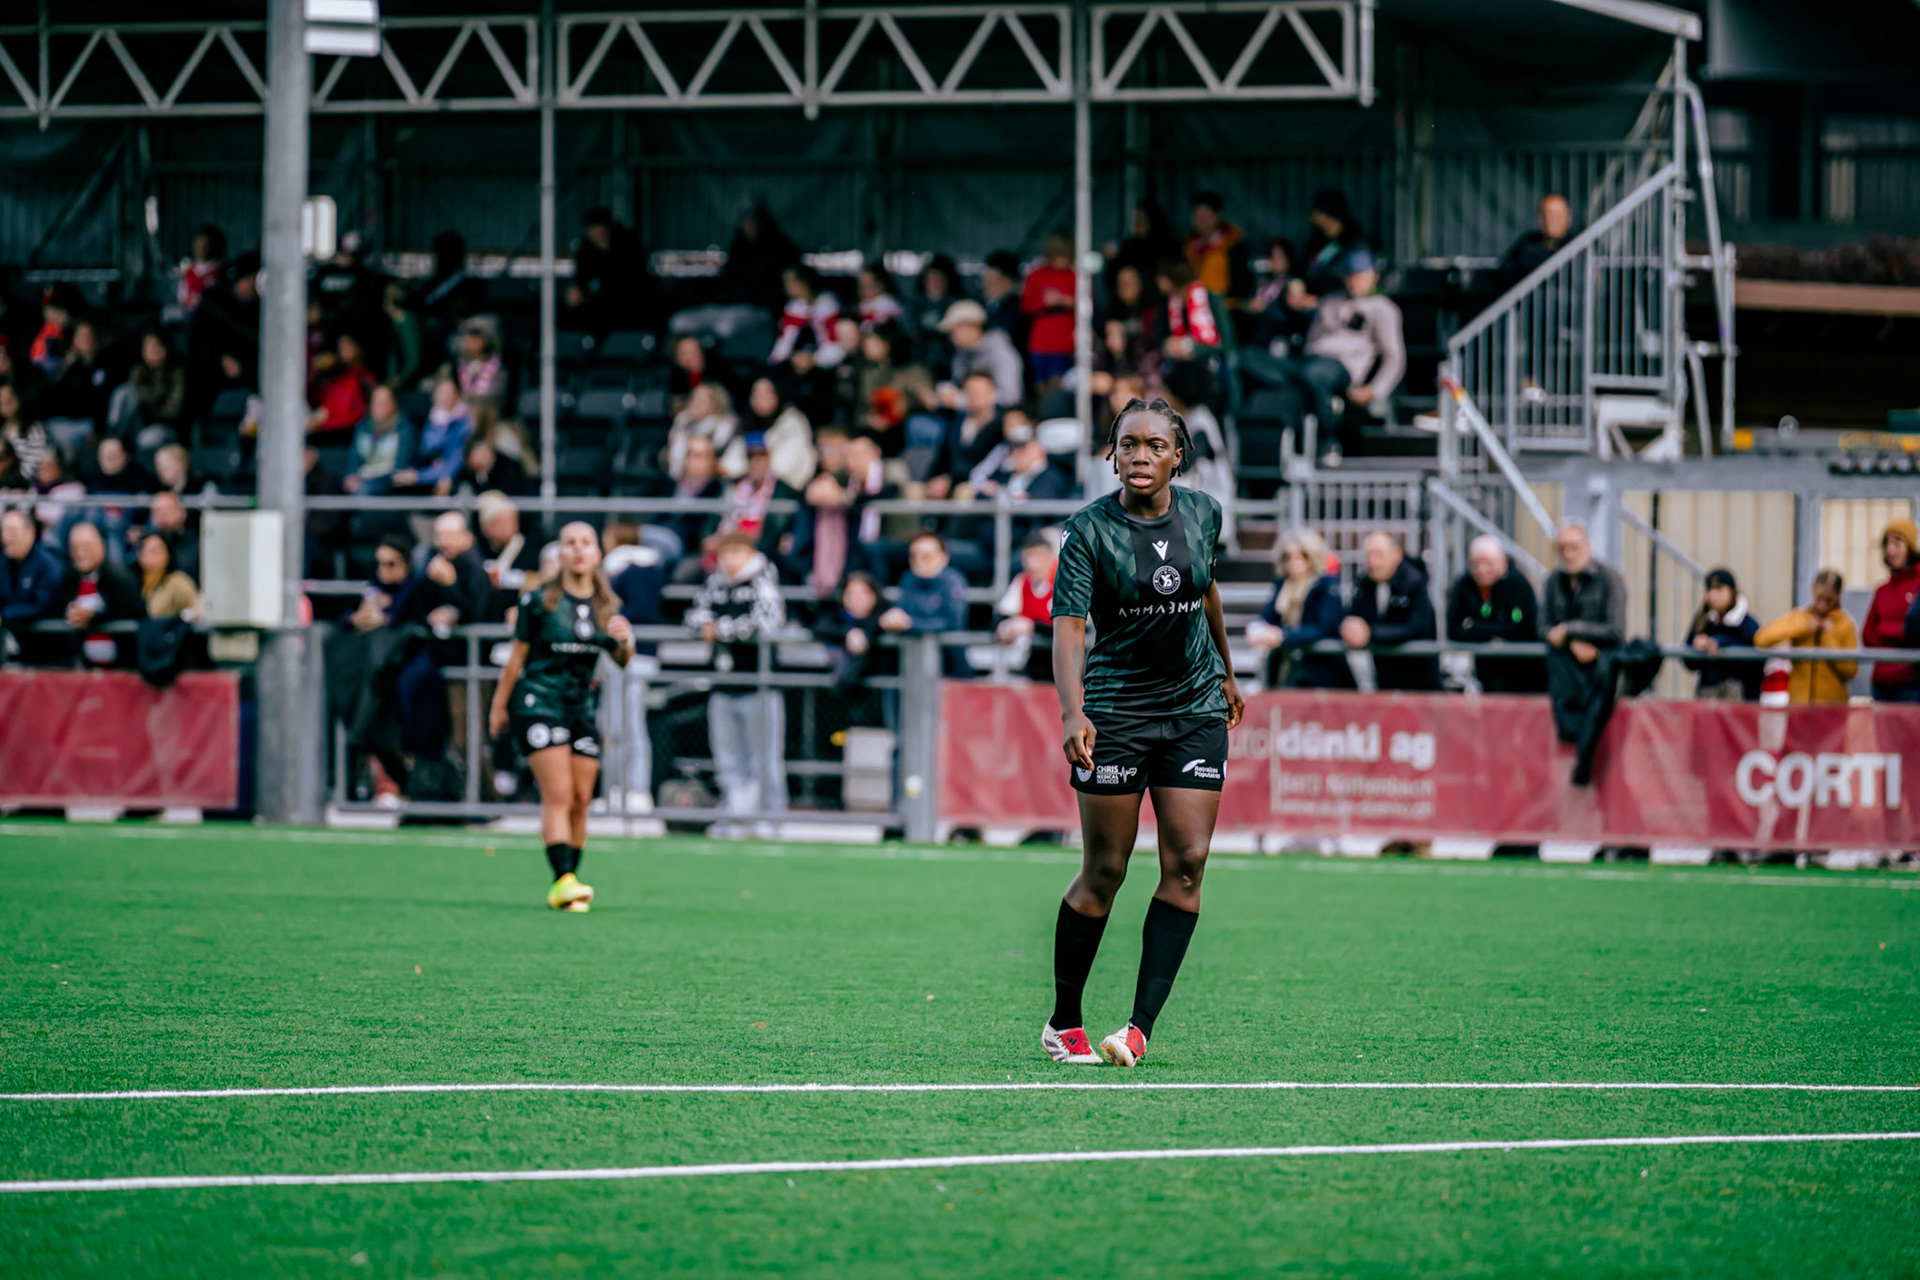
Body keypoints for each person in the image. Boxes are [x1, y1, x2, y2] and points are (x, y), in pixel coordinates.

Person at [1045, 396, 1242, 1069]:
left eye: (1155, 445)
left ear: (1177, 455)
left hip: (1193, 709)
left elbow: (1206, 586)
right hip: (1116, 713)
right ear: (1112, 453)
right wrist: (1074, 712)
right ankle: (1063, 1019)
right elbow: (1069, 626)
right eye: (1128, 445)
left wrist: (1226, 669)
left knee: (1187, 863)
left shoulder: (1204, 513)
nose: (1139, 456)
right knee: (1105, 870)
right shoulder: (1086, 532)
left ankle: (1138, 1028)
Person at [488, 522, 636, 912]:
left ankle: (569, 879)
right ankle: (563, 880)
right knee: (558, 793)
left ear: (597, 553)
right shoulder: (539, 601)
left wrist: (627, 642)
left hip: (580, 709)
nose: (578, 549)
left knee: (582, 799)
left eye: (586, 542)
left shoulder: (607, 607)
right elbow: (516, 658)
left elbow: (620, 660)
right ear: (562, 553)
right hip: (539, 702)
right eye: (570, 543)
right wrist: (499, 706)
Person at [685, 530, 789, 837]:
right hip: (722, 682)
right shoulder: (715, 583)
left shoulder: (762, 580)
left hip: (759, 683)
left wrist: (723, 630)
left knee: (764, 757)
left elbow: (769, 622)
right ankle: (735, 815)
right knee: (727, 757)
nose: (729, 561)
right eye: (724, 554)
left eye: (735, 553)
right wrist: (707, 627)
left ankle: (769, 816)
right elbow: (692, 616)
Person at [1255, 249, 1404, 461]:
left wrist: (1375, 390)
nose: (1355, 281)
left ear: (1374, 276)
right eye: (1351, 275)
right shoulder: (1331, 300)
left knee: (1313, 373)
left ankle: (1328, 439)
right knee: (1246, 360)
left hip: (1342, 366)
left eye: (1361, 275)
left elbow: (1394, 357)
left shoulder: (1383, 308)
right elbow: (1310, 327)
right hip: (1307, 360)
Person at [1542, 520, 1626, 734]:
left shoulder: (1609, 579)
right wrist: (1571, 641)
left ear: (1587, 546)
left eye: (1573, 547)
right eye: (1561, 548)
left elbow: (1615, 630)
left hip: (1600, 677)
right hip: (1566, 682)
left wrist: (1569, 630)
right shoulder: (1553, 581)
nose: (1567, 554)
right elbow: (1543, 627)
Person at [1246, 526, 1349, 689]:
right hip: (1287, 671)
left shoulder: (1326, 585)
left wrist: (1284, 635)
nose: (1294, 562)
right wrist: (1259, 630)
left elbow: (1325, 627)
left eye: (1301, 556)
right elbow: (1269, 616)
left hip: (1321, 674)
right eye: (1288, 557)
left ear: (1312, 557)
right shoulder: (1284, 586)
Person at [1340, 531, 1439, 691]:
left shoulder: (1415, 582)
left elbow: (1416, 627)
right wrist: (1349, 628)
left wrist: (1370, 634)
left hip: (1419, 683)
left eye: (1378, 555)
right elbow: (1353, 615)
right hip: (1385, 682)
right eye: (1369, 555)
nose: (1373, 562)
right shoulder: (1365, 585)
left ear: (1396, 555)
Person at [1445, 535, 1543, 693]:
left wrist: (1475, 627)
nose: (1481, 569)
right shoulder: (1464, 584)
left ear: (1502, 561)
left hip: (1523, 675)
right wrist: (1497, 630)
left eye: (1487, 563)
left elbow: (1521, 628)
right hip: (1485, 675)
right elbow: (1453, 628)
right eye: (1475, 563)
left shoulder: (1519, 586)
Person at [1756, 570, 1858, 705]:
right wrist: (1803, 627)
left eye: (1828, 600)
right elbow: (1761, 639)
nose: (1822, 604)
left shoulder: (1845, 624)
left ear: (1838, 596)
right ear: (1812, 591)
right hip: (1799, 705)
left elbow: (1850, 670)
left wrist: (1829, 637)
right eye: (1819, 598)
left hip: (1832, 709)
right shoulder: (1800, 617)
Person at [57, 521, 144, 667]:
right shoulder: (68, 579)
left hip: (122, 667)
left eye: (86, 547)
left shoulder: (120, 578)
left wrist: (96, 617)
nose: (80, 553)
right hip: (83, 666)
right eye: (75, 547)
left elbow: (135, 613)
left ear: (101, 547)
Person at [1863, 519, 1920, 703]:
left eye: (1897, 543)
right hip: (1881, 682)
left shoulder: (1918, 585)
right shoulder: (1882, 591)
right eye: (1887, 544)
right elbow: (1868, 635)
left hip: (1911, 682)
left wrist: (1886, 629)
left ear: (1909, 547)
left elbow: (1915, 630)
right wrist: (1901, 632)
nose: (1891, 550)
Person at [1684, 567, 1761, 701]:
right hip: (1707, 695)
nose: (1713, 596)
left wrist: (1719, 643)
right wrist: (1697, 647)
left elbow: (1753, 656)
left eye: (1718, 589)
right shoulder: (1703, 621)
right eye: (1709, 589)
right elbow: (1687, 659)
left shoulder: (1747, 623)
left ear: (1731, 591)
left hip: (1740, 701)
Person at [727, 377, 815, 491]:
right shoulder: (747, 424)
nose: (761, 398)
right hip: (747, 492)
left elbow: (782, 469)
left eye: (767, 393)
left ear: (778, 395)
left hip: (785, 494)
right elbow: (728, 465)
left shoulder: (793, 424)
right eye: (756, 393)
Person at [393, 376, 473, 495]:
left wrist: (418, 476)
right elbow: (420, 452)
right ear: (434, 395)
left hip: (452, 477)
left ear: (458, 395)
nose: (447, 397)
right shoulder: (425, 418)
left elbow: (455, 463)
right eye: (442, 392)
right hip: (423, 473)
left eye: (450, 392)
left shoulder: (464, 423)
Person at [995, 531, 1058, 682]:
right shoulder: (1022, 582)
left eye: (1038, 557)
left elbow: (1072, 628)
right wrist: (1004, 628)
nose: (1032, 564)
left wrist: (1032, 626)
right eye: (1028, 557)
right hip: (1031, 661)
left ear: (1051, 558)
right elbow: (1001, 616)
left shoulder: (1066, 582)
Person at [720, 201, 801, 313]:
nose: (749, 226)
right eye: (745, 221)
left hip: (768, 310)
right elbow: (729, 281)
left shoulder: (783, 248)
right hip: (736, 308)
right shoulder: (738, 248)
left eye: (754, 221)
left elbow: (787, 289)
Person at [940, 300, 1023, 408]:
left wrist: (961, 401)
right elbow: (957, 385)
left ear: (972, 327)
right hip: (969, 418)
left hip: (999, 418)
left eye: (953, 331)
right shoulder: (960, 356)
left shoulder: (1001, 353)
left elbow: (1011, 397)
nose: (951, 338)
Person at [0, 508, 62, 654]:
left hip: (51, 650)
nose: (6, 538)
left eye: (12, 531)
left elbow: (42, 606)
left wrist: (4, 615)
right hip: (18, 648)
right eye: (4, 531)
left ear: (31, 533)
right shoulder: (4, 563)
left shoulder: (47, 565)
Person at [1293, 187, 1366, 307]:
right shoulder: (1315, 243)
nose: (1311, 218)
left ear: (1327, 214)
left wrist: (1320, 301)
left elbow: (1355, 283)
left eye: (1315, 212)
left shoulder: (1356, 245)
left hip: (1338, 306)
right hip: (1309, 304)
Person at [1022, 233, 1079, 386]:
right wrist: (1044, 302)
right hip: (1040, 343)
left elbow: (1089, 306)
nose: (1061, 261)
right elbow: (1026, 305)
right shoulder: (1037, 276)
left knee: (1059, 385)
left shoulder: (1075, 277)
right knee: (1040, 385)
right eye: (1058, 256)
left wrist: (1070, 302)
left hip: (1065, 343)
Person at [343, 384, 416, 496]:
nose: (381, 405)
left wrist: (369, 476)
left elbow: (401, 465)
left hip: (388, 482)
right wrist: (351, 476)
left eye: (385, 400)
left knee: (365, 490)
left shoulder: (404, 428)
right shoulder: (362, 428)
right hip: (362, 480)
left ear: (394, 403)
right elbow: (353, 460)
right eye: (377, 400)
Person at [1184, 191, 1252, 304]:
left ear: (1217, 216)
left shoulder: (1233, 244)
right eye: (1197, 216)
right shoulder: (1188, 246)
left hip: (1225, 308)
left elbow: (1242, 286)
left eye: (1206, 216)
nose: (1201, 221)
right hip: (1193, 306)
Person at [305, 332, 375, 443]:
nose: (342, 351)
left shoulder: (364, 377)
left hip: (347, 434)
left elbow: (362, 410)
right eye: (341, 348)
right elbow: (318, 400)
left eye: (347, 347)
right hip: (324, 432)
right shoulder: (335, 376)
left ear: (358, 349)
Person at [769, 265, 842, 367]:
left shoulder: (827, 303)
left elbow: (833, 341)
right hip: (796, 362)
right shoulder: (792, 307)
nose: (786, 287)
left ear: (804, 282)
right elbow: (784, 342)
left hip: (825, 362)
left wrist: (814, 359)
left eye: (790, 282)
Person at [665, 383, 740, 482]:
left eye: (704, 400)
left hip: (715, 482)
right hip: (682, 481)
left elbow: (729, 465)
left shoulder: (725, 427)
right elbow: (669, 456)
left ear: (715, 404)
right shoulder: (682, 422)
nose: (698, 404)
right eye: (696, 398)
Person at [1499, 194, 1575, 291]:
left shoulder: (1578, 247)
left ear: (1568, 217)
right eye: (1545, 214)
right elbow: (1505, 274)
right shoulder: (1527, 243)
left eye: (1556, 214)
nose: (1550, 220)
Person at [1111, 200, 1180, 302]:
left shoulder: (1167, 247)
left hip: (1157, 301)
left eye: (1142, 220)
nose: (1137, 224)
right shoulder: (1128, 247)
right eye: (1135, 220)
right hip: (1129, 305)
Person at [136, 532, 198, 620]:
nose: (149, 556)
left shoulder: (178, 582)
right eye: (144, 551)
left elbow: (197, 608)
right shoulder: (135, 583)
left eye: (155, 551)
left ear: (168, 554)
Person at [176, 224, 226, 314]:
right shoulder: (188, 267)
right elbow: (182, 295)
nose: (201, 248)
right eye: (198, 244)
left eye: (205, 244)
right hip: (185, 311)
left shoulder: (218, 269)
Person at [855, 263, 906, 332]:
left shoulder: (889, 304)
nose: (865, 288)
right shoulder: (862, 304)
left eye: (870, 284)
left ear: (881, 284)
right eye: (862, 285)